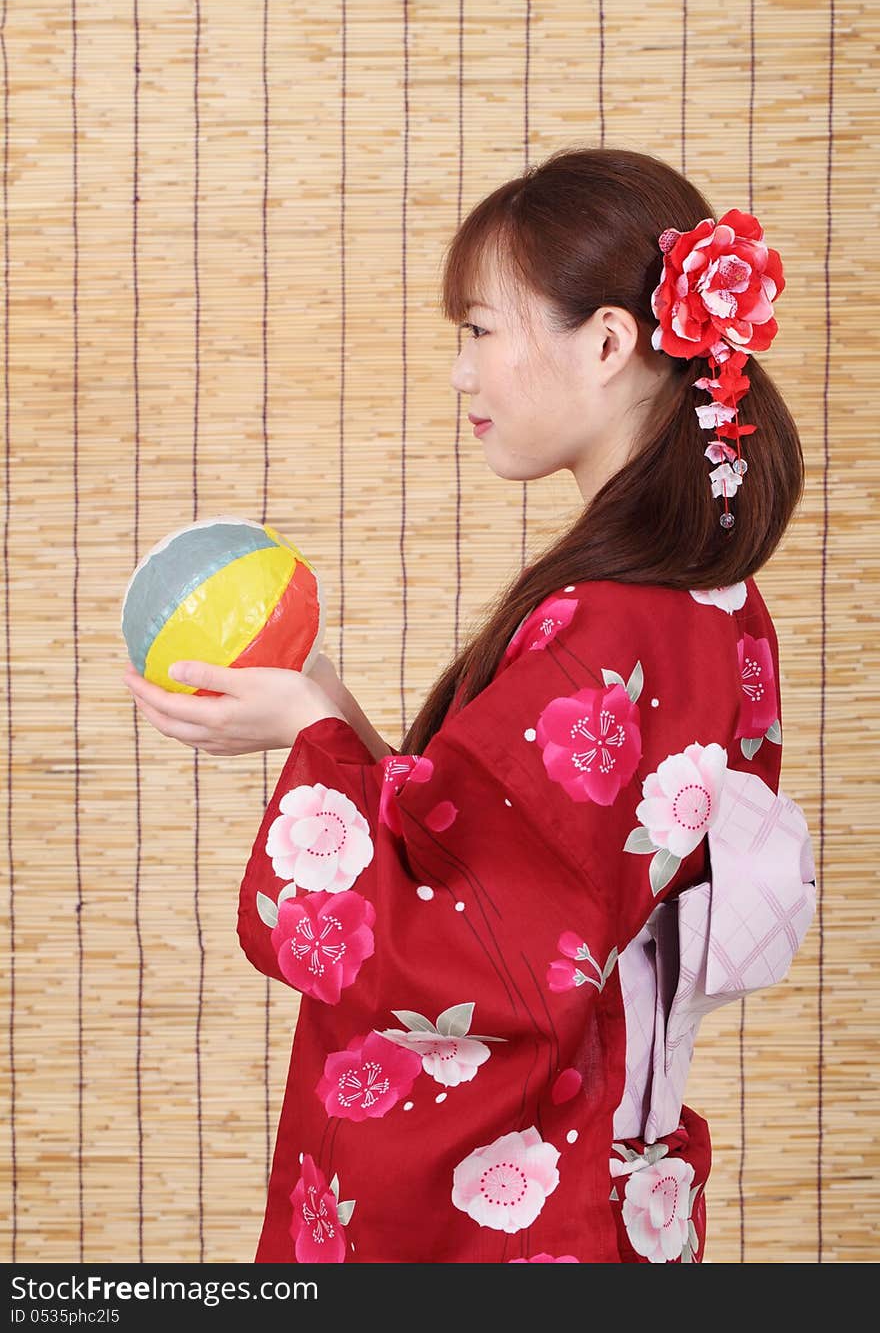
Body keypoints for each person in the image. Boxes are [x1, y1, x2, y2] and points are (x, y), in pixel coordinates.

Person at [122, 145, 815, 1263]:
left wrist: (309, 735)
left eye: (482, 330)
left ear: (604, 342)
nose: (462, 372)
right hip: (602, 1156)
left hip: (532, 1190)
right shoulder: (703, 607)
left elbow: (480, 956)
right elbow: (496, 865)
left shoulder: (613, 624)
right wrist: (325, 705)